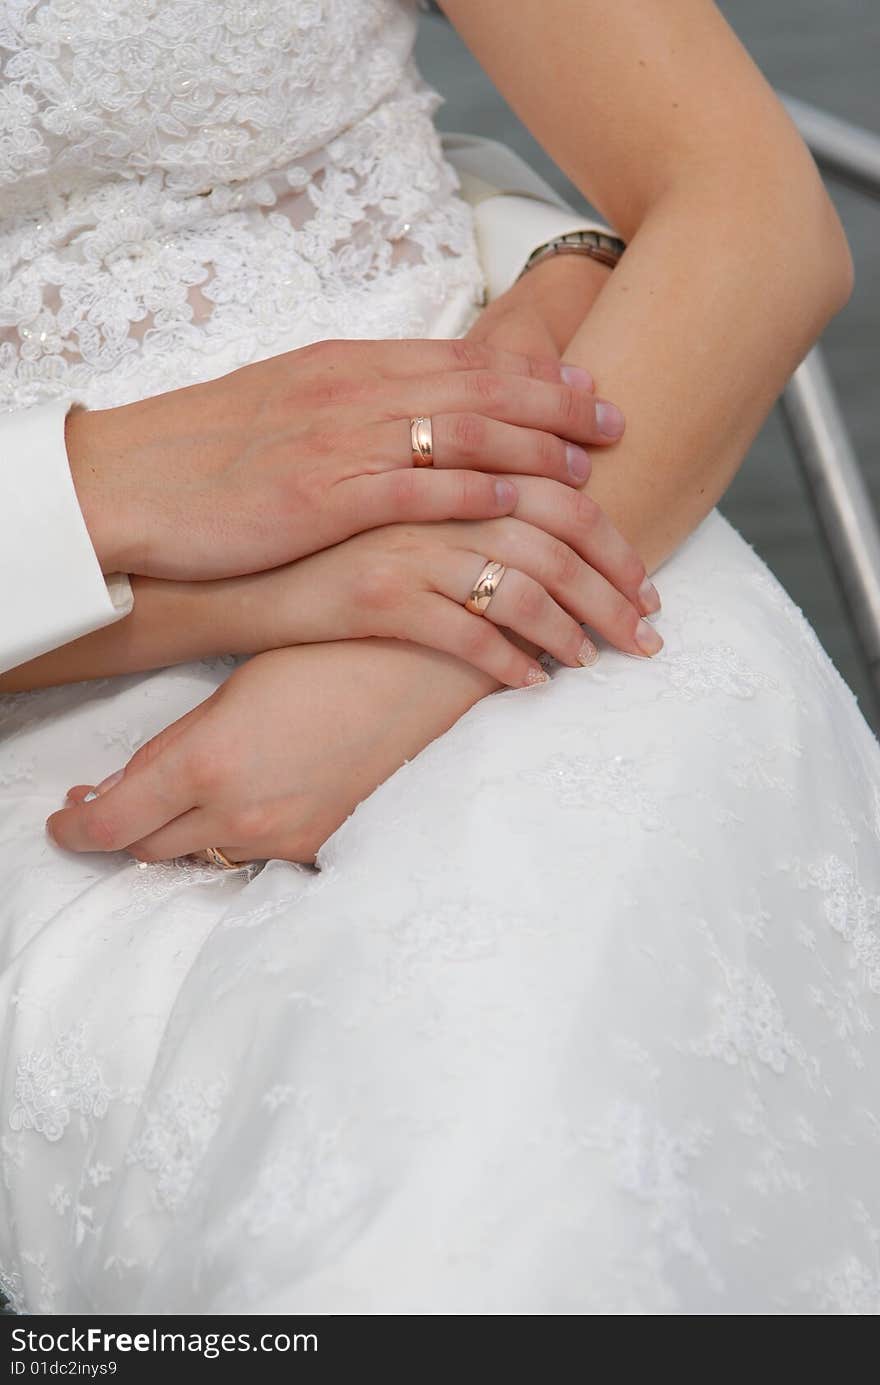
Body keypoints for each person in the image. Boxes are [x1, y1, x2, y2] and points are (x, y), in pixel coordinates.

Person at [1, 0, 877, 1315]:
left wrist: (421, 647)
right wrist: (88, 502)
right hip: (62, 714)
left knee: (528, 1072)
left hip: (537, 511)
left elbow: (742, 199)